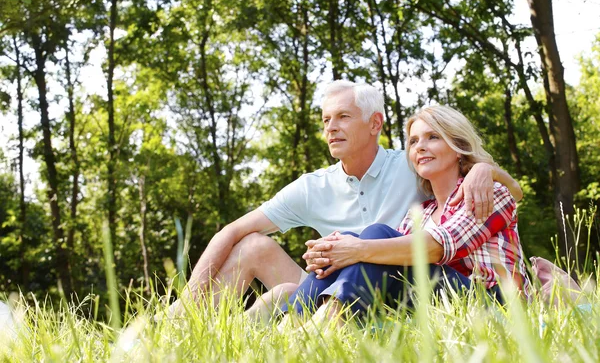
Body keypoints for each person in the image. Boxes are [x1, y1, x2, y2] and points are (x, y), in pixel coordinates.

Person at [171, 81, 523, 316]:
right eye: (325, 120)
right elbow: (230, 231)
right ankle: (192, 331)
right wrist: (181, 307)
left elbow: (507, 196)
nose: (330, 128)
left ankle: (303, 329)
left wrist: (483, 169)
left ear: (374, 124)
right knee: (258, 250)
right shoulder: (316, 186)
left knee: (372, 235)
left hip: (432, 290)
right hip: (349, 284)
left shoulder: (416, 168)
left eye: (342, 117)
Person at [284, 105, 530, 322]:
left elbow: (438, 247)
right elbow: (385, 258)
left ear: (458, 148)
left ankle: (328, 321)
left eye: (433, 137)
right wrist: (335, 251)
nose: (420, 147)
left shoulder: (488, 192)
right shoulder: (422, 213)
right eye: (413, 141)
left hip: (494, 307)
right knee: (363, 239)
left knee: (372, 238)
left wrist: (354, 249)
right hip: (440, 304)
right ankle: (291, 324)